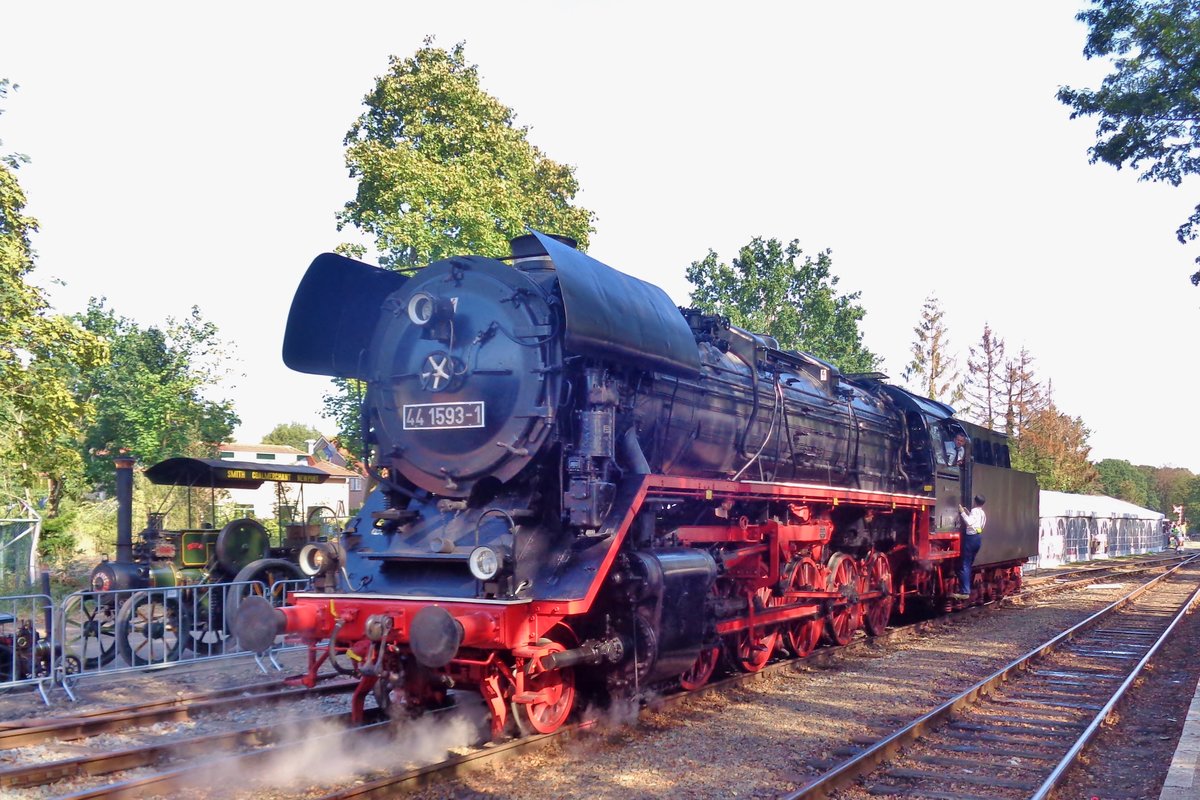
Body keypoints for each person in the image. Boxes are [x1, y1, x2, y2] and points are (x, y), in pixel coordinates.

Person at [953, 495, 987, 599]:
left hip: (970, 539)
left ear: (975, 501)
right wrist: (968, 513)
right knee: (968, 565)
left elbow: (969, 522)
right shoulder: (982, 513)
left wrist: (962, 512)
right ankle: (964, 587)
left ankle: (965, 592)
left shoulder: (974, 511)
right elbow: (978, 524)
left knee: (965, 565)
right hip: (978, 538)